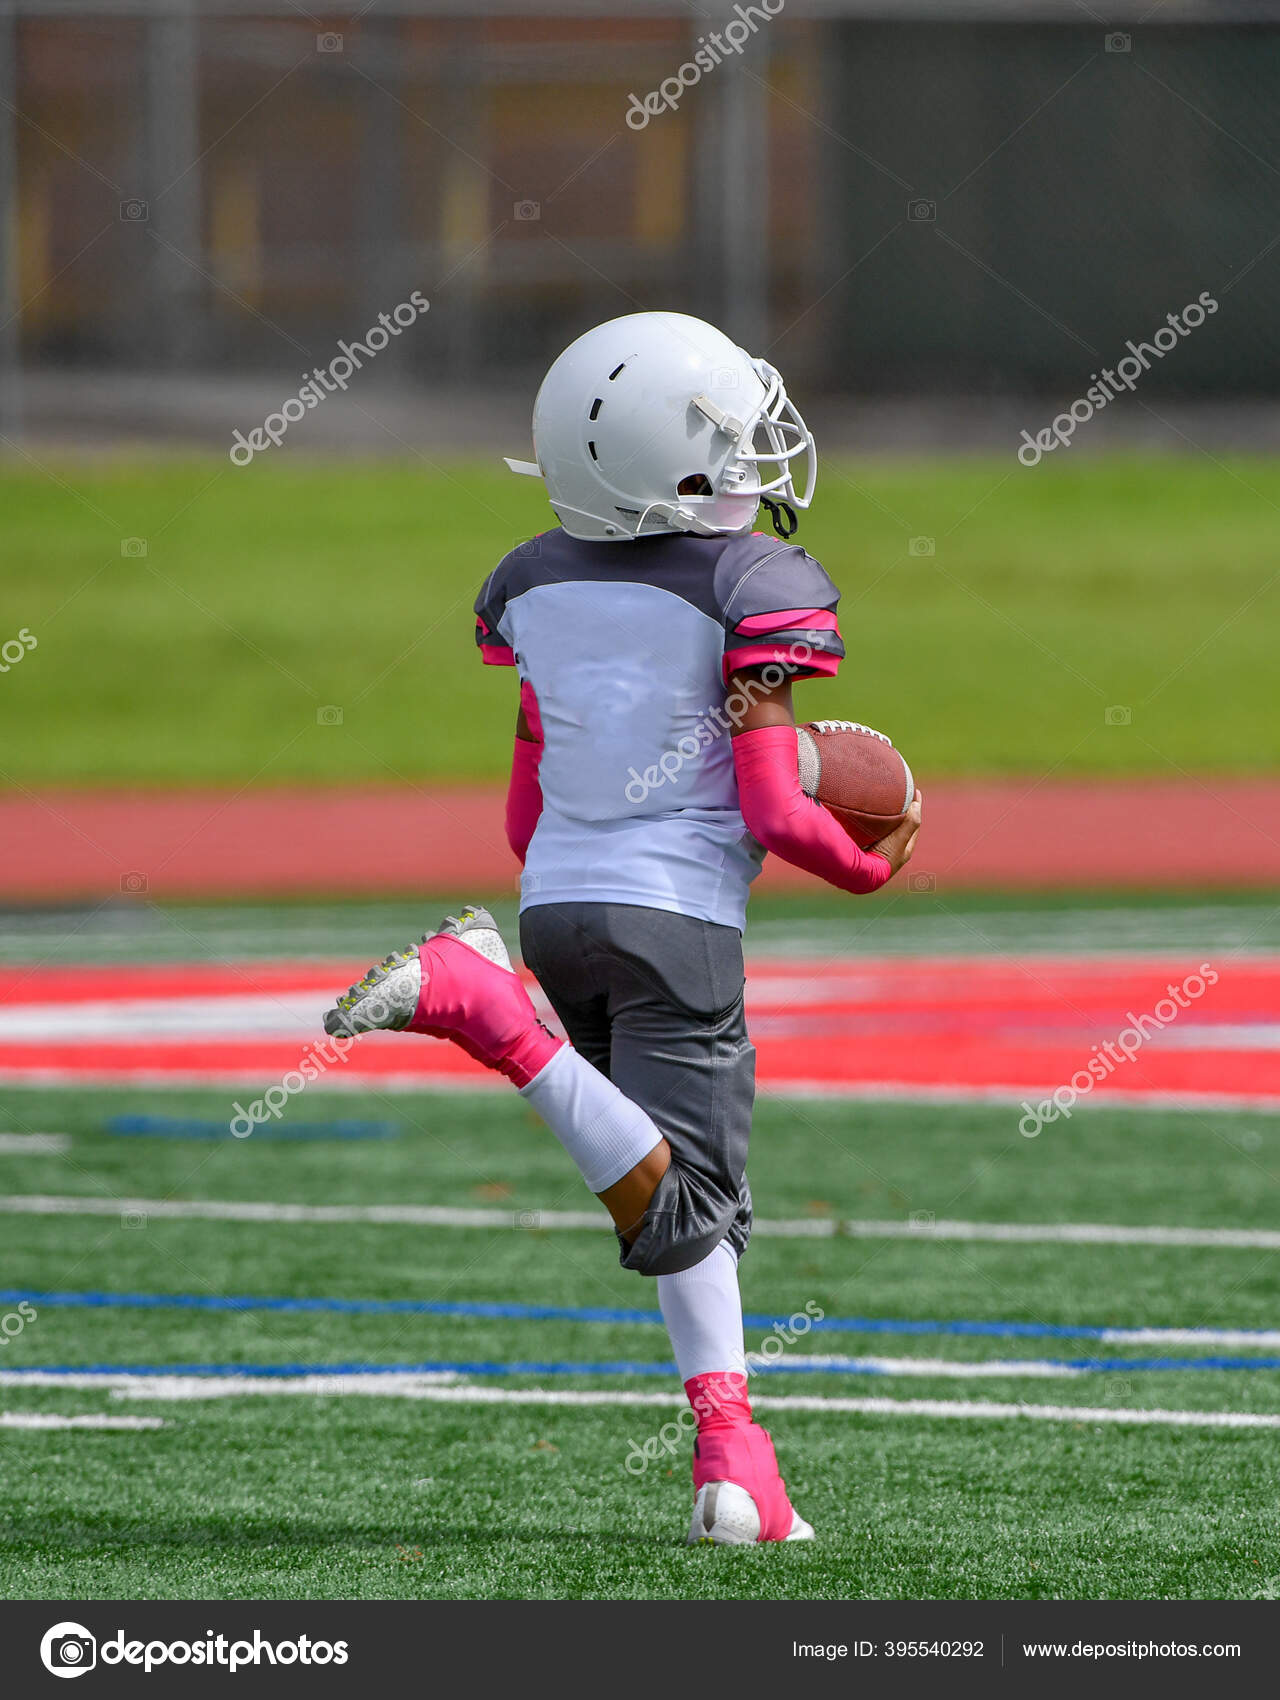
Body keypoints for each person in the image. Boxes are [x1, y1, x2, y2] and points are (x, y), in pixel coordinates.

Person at [323, 311, 922, 1544]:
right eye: (732, 437)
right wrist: (864, 863)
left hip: (557, 904)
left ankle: (732, 1463)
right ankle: (489, 1013)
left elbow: (523, 801)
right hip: (674, 916)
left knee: (667, 1197)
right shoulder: (753, 584)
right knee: (692, 1192)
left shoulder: (531, 584)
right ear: (676, 463)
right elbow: (768, 801)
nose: (758, 452)